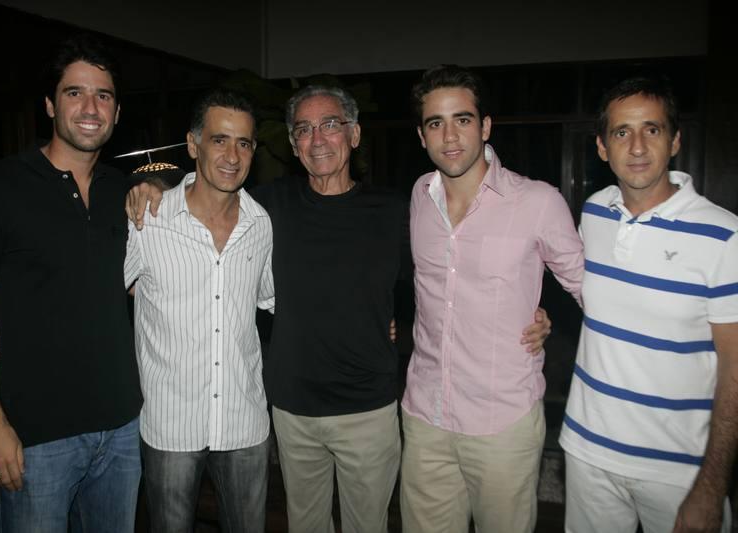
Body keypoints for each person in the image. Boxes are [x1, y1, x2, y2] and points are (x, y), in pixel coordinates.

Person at [127, 84, 551, 533]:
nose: (318, 139)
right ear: (293, 145)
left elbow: (447, 278)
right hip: (293, 411)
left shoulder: (394, 211)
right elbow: (210, 192)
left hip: (368, 411)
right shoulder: (267, 208)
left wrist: (524, 312)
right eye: (304, 130)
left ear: (354, 134)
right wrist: (152, 185)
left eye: (330, 125)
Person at [0, 34, 143, 532]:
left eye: (103, 95)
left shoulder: (125, 192)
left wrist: (156, 186)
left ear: (117, 112)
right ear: (50, 105)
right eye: (75, 92)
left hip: (123, 430)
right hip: (34, 438)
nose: (91, 108)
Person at [400, 64, 584, 533]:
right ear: (421, 136)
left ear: (485, 126)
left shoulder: (538, 202)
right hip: (425, 416)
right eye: (435, 123)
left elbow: (590, 292)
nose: (449, 136)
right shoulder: (420, 196)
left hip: (502, 422)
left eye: (462, 119)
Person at [559, 76, 737, 533]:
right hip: (587, 451)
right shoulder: (593, 213)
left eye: (651, 129)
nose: (637, 146)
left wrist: (712, 485)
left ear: (674, 140)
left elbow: (734, 371)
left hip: (679, 469)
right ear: (602, 148)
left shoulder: (725, 236)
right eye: (622, 132)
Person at [124, 89, 274, 532]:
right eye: (219, 140)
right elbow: (98, 298)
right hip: (172, 426)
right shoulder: (147, 220)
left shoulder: (261, 225)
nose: (232, 156)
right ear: (193, 145)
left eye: (244, 143)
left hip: (244, 424)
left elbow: (278, 302)